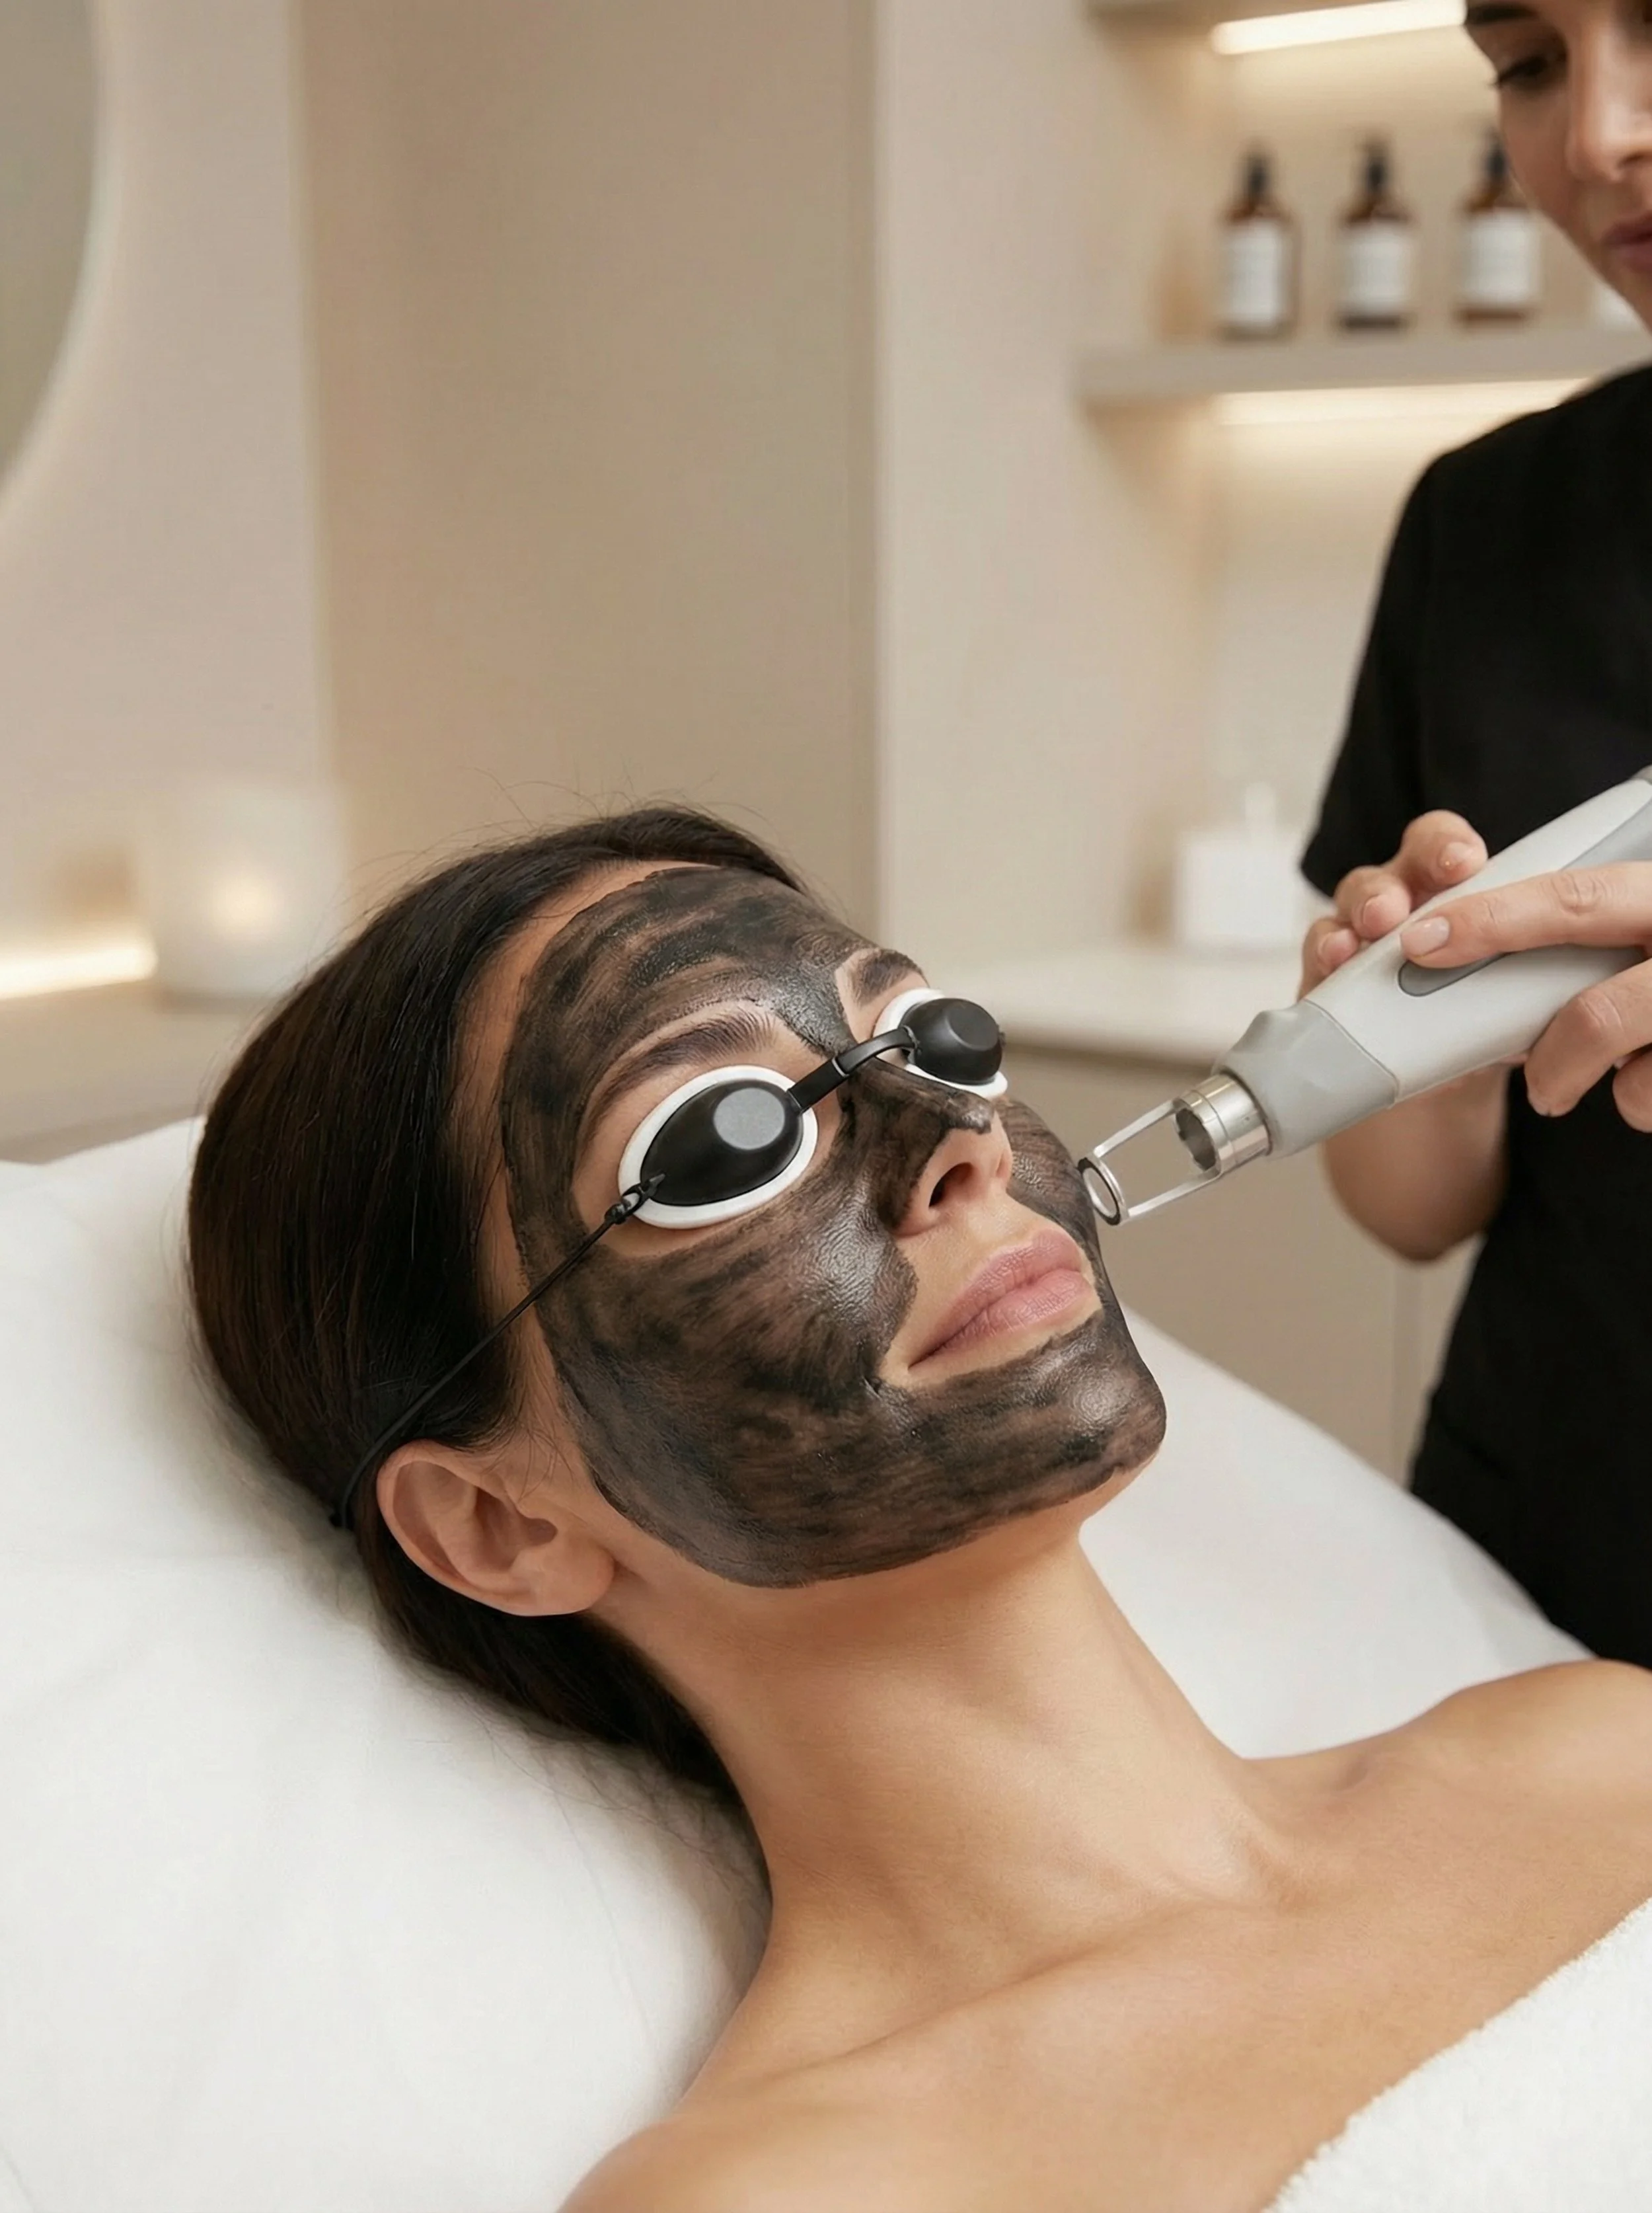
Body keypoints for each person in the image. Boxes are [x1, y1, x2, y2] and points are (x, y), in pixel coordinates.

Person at [188, 808, 1652, 2212]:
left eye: (929, 1040)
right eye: (720, 1146)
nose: (951, 1143)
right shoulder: (788, 2195)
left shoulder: (1590, 1749)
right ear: (500, 1528)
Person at [1300, 0, 1652, 1662]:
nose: (1590, 138)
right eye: (1523, 63)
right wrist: (1397, 1029)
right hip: (1543, 1532)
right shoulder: (1483, 522)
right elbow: (1414, 1208)